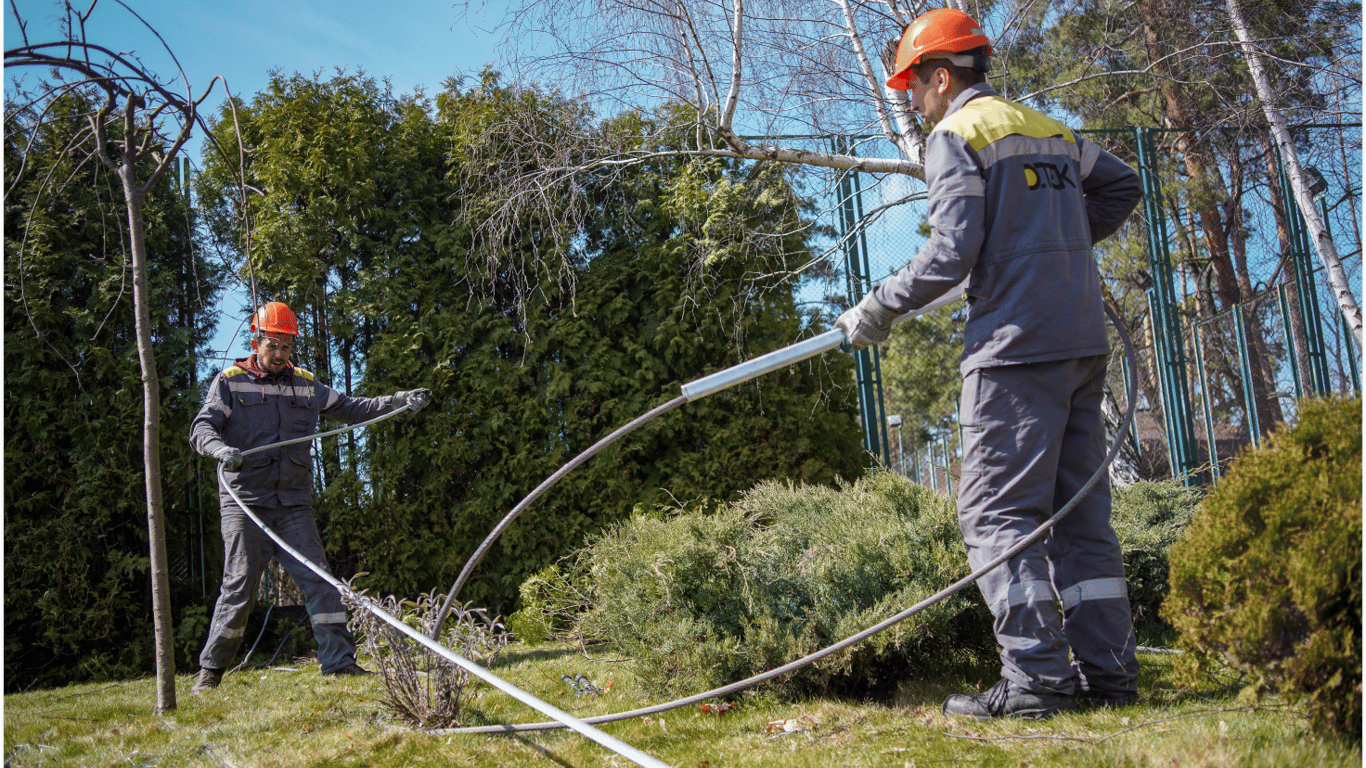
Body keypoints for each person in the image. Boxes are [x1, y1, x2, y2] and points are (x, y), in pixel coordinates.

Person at [836, 8, 1144, 719]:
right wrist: (1052, 244)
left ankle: (1036, 681)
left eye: (914, 87)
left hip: (1013, 346)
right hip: (1078, 339)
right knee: (1080, 517)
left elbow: (950, 252)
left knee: (996, 514)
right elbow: (1122, 185)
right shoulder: (1047, 128)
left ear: (941, 78)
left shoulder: (956, 136)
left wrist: (876, 308)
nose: (912, 103)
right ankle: (1108, 675)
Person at [188, 301, 431, 693]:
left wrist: (398, 401)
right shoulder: (230, 381)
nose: (280, 354)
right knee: (238, 588)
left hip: (292, 507)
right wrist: (218, 450)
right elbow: (202, 427)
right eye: (272, 345)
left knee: (321, 582)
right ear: (257, 340)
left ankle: (339, 665)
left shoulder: (306, 383)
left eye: (286, 346)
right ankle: (210, 674)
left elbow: (353, 409)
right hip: (245, 504)